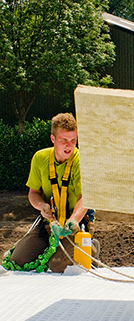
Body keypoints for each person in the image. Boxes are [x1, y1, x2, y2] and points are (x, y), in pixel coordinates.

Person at [3, 113, 97, 273]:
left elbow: (86, 198)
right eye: (64, 140)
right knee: (17, 261)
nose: (69, 146)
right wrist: (41, 206)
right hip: (49, 222)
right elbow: (33, 193)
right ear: (53, 139)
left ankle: (92, 247)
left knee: (57, 266)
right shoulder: (40, 158)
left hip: (75, 223)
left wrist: (73, 220)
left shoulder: (81, 161)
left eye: (73, 140)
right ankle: (53, 246)